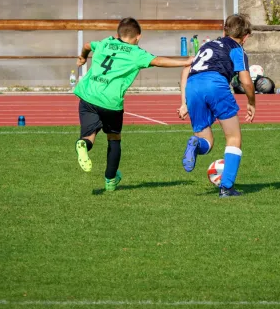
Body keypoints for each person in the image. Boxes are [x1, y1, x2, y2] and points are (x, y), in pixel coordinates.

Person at [74, 17, 192, 191]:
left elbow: (86, 46)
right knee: (114, 138)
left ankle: (83, 145)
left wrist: (83, 58)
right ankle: (110, 180)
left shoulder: (106, 42)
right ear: (138, 37)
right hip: (110, 102)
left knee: (89, 135)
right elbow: (158, 61)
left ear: (118, 34)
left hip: (88, 96)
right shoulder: (136, 53)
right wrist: (185, 62)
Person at [177, 14, 256, 198]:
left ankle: (196, 145)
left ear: (223, 31)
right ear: (245, 37)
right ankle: (226, 188)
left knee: (207, 142)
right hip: (216, 84)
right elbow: (246, 81)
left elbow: (186, 69)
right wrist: (251, 102)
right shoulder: (237, 49)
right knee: (234, 137)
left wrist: (184, 103)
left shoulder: (207, 45)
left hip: (193, 86)